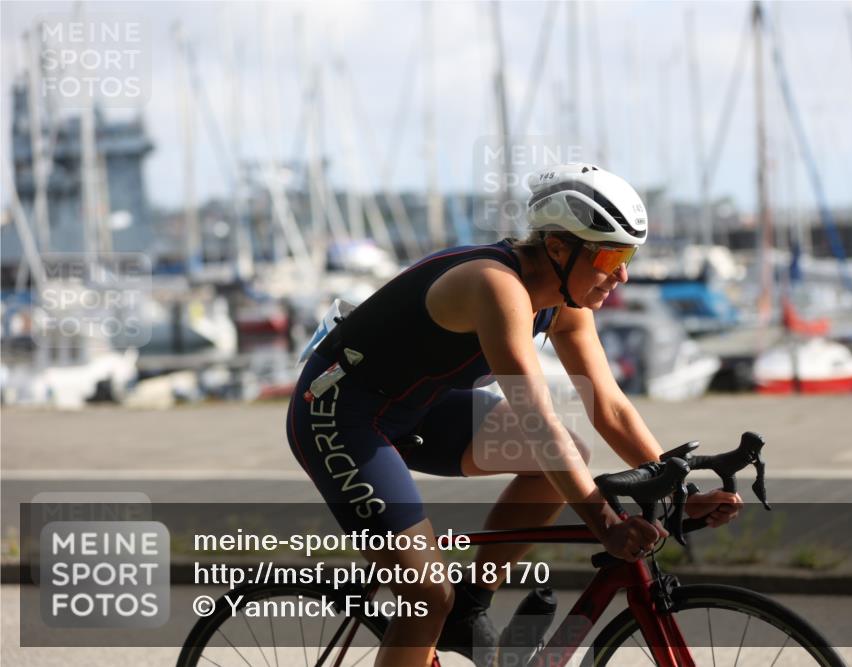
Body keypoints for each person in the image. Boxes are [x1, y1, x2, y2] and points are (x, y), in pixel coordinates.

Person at [285, 163, 743, 667]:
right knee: (427, 598)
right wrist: (606, 522)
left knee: (566, 458)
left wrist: (680, 491)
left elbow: (608, 405)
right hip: (338, 413)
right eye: (611, 254)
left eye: (629, 254)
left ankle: (472, 602)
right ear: (558, 248)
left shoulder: (567, 301)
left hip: (413, 410)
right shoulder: (495, 287)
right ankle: (446, 607)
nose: (623, 274)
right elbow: (537, 419)